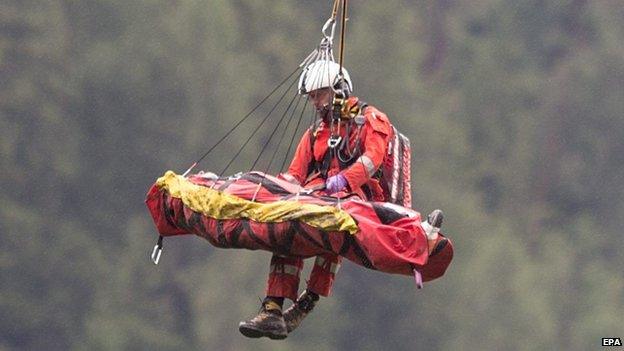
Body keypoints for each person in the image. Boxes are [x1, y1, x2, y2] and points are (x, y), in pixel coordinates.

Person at [238, 60, 443, 339]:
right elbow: (295, 175)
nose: (314, 103)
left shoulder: (371, 120)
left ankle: (308, 299)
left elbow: (373, 159)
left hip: (355, 199)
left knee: (334, 223)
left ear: (337, 90)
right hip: (315, 197)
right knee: (288, 227)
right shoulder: (314, 135)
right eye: (311, 97)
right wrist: (267, 192)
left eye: (318, 95)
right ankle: (273, 307)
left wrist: (345, 180)